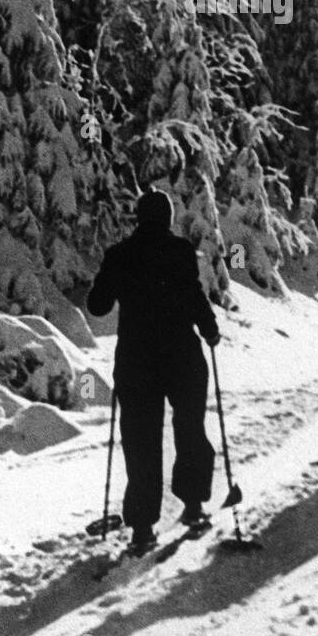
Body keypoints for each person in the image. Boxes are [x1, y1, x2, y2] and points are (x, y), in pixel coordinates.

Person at [87, 188, 220, 553]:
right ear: (167, 218)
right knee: (190, 428)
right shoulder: (180, 251)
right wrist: (210, 329)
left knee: (141, 439)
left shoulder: (119, 254)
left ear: (138, 217)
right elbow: (193, 294)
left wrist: (108, 279)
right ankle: (193, 505)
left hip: (137, 360)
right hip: (181, 356)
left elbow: (97, 306)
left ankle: (143, 526)